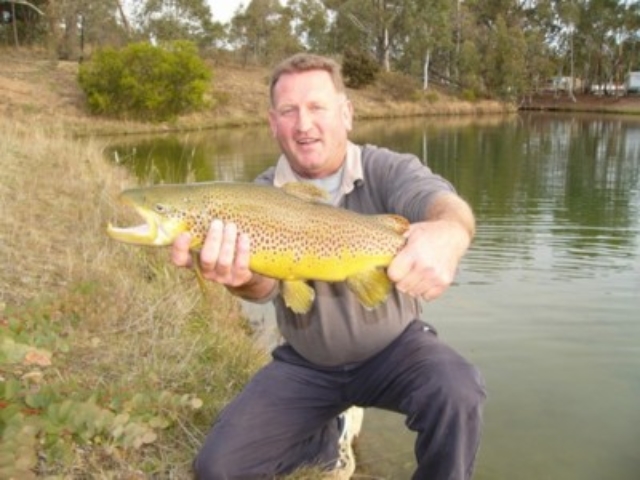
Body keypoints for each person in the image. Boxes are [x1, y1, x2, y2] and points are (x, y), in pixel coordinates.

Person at [171, 53, 486, 480]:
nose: (304, 124)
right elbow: (262, 289)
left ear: (347, 114)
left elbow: (441, 200)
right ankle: (326, 440)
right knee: (217, 469)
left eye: (317, 107)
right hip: (306, 364)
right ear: (272, 123)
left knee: (457, 389)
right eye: (289, 111)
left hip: (394, 351)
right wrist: (241, 279)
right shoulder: (255, 197)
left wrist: (449, 232)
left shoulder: (386, 168)